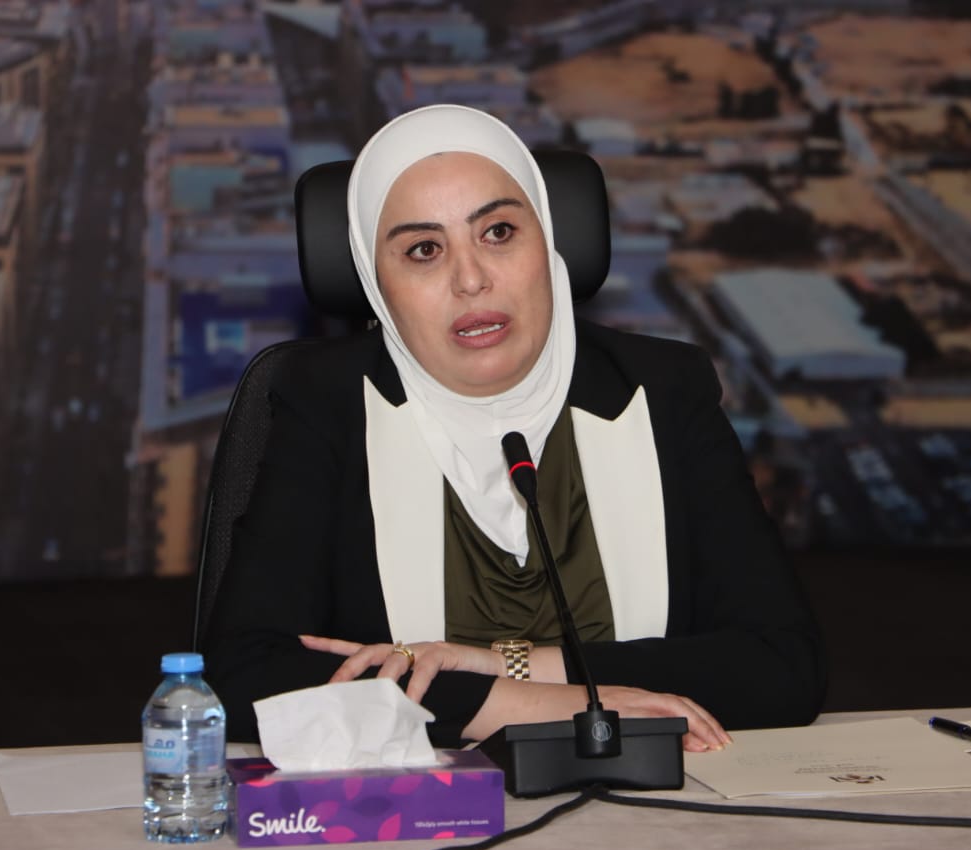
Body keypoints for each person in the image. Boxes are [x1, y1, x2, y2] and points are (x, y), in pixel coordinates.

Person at [203, 104, 825, 751]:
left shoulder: (661, 391)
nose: (471, 279)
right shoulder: (328, 404)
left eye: (498, 232)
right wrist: (542, 703)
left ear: (547, 240)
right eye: (423, 250)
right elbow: (243, 677)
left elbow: (782, 664)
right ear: (376, 281)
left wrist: (506, 665)